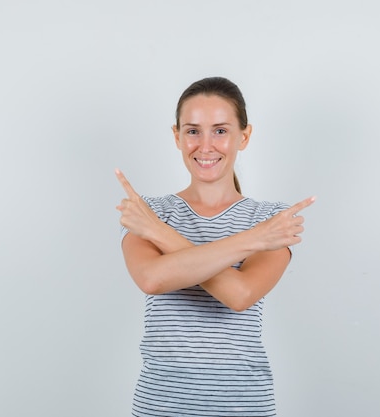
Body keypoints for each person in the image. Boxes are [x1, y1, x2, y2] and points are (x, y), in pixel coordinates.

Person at [115, 76, 314, 417]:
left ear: (244, 136)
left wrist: (160, 234)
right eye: (193, 131)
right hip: (160, 407)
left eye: (220, 130)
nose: (205, 146)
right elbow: (151, 278)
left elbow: (239, 295)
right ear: (177, 137)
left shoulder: (270, 219)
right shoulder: (148, 211)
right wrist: (254, 240)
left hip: (244, 407)